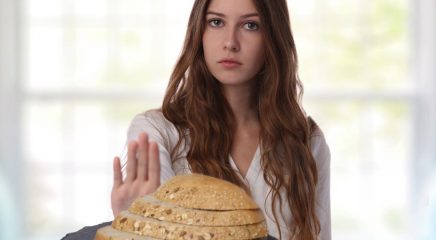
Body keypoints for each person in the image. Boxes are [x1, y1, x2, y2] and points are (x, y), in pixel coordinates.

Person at [111, 0, 331, 239]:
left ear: (273, 36)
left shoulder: (307, 140)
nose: (230, 43)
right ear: (199, 32)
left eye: (250, 25)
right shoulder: (158, 131)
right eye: (216, 22)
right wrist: (134, 227)